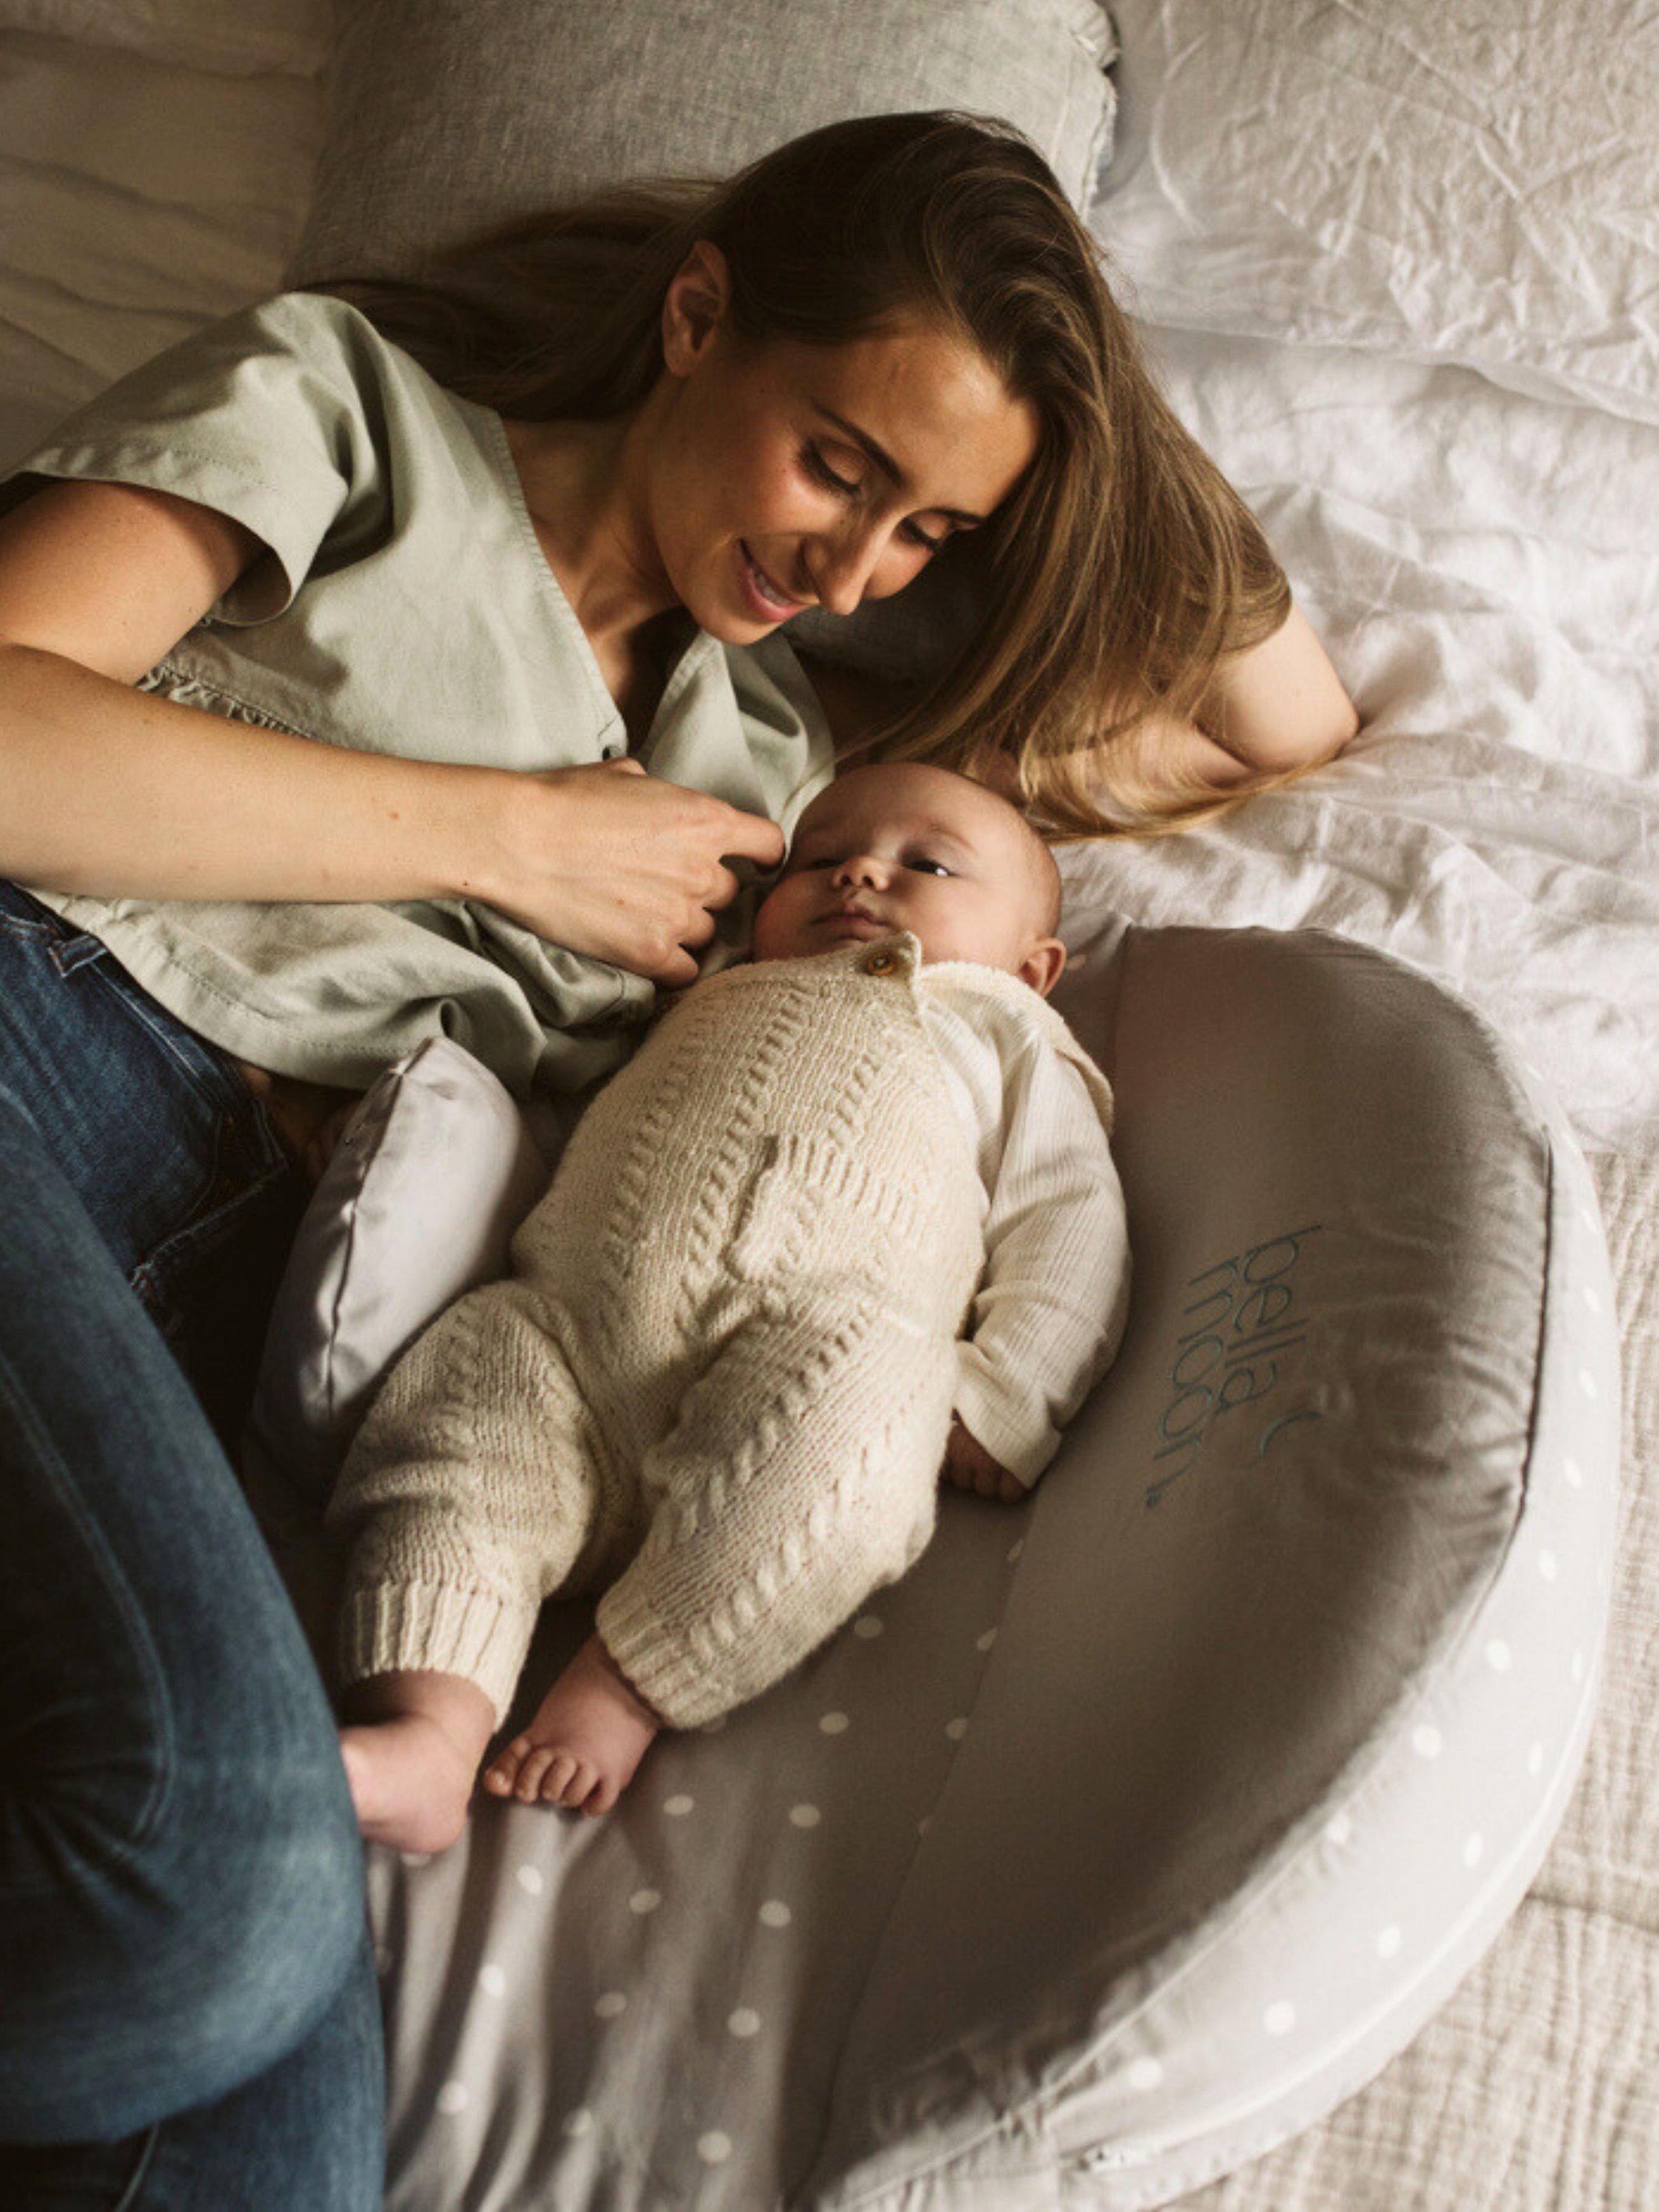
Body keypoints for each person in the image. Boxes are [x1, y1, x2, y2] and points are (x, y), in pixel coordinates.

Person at [0, 109, 1357, 2207]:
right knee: (216, 1895)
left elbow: (1284, 721)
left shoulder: (787, 783)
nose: (854, 572)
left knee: (270, 2131)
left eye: (927, 532)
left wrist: (1076, 367)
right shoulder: (349, 411)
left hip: (241, 1299)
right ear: (698, 314)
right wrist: (513, 837)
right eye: (838, 463)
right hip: (45, 1029)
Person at [326, 760, 1130, 1852]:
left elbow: (1071, 1217)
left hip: (809, 1342)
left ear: (1033, 967)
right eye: (820, 857)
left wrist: (1009, 1393)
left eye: (929, 865)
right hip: (571, 1341)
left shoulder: (1003, 1034)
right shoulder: (697, 994)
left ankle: (630, 1679)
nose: (858, 873)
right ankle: (429, 1732)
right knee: (467, 1414)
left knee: (871, 1404)